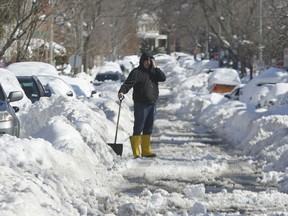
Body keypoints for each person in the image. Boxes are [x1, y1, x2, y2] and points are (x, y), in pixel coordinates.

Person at [118, 52, 166, 158]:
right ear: (142, 61)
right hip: (141, 104)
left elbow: (163, 78)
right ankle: (136, 152)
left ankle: (145, 150)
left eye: (150, 60)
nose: (148, 63)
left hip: (152, 103)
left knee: (148, 128)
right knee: (139, 127)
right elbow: (127, 84)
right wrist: (122, 91)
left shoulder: (154, 72)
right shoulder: (136, 72)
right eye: (146, 60)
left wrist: (155, 67)